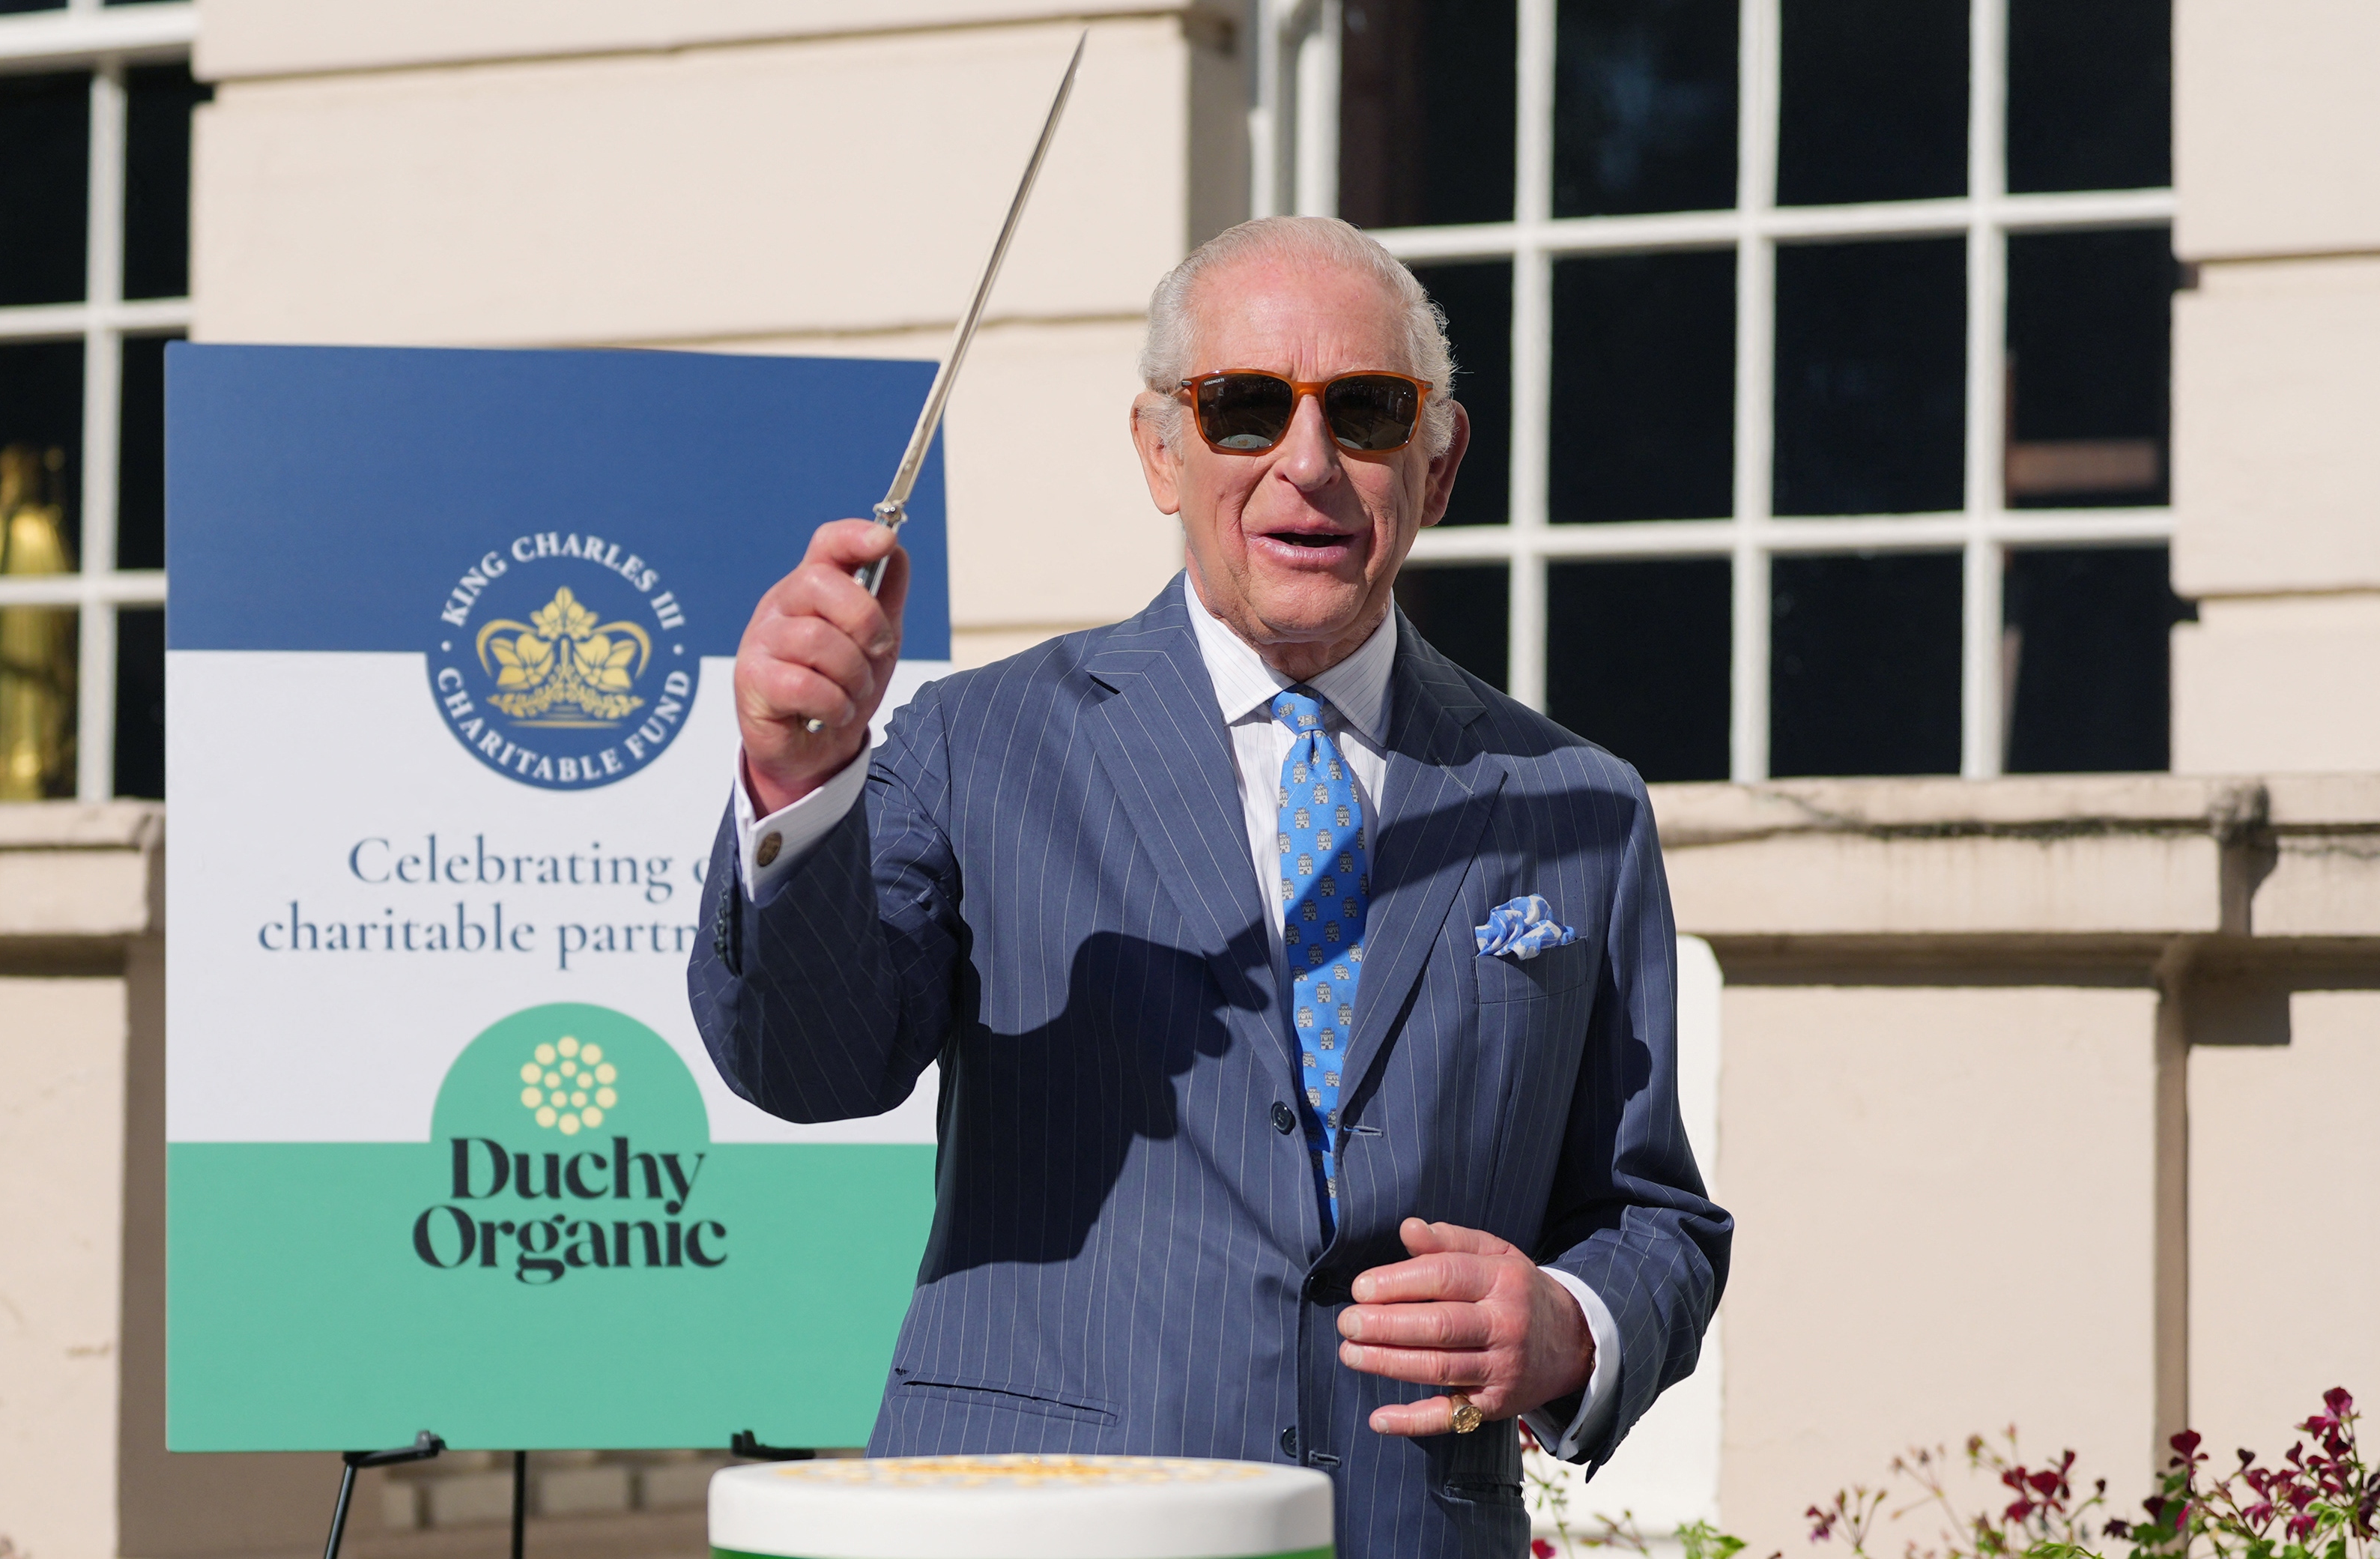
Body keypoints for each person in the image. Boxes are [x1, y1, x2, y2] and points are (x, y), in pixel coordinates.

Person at [686, 215, 1731, 1558]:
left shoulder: (1575, 804)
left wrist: (1569, 1324)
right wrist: (796, 784)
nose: (1308, 463)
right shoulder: (978, 744)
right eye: (1244, 408)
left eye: (1365, 410)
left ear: (1441, 459)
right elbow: (806, 1057)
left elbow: (1654, 1218)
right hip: (1043, 1525)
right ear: (1160, 451)